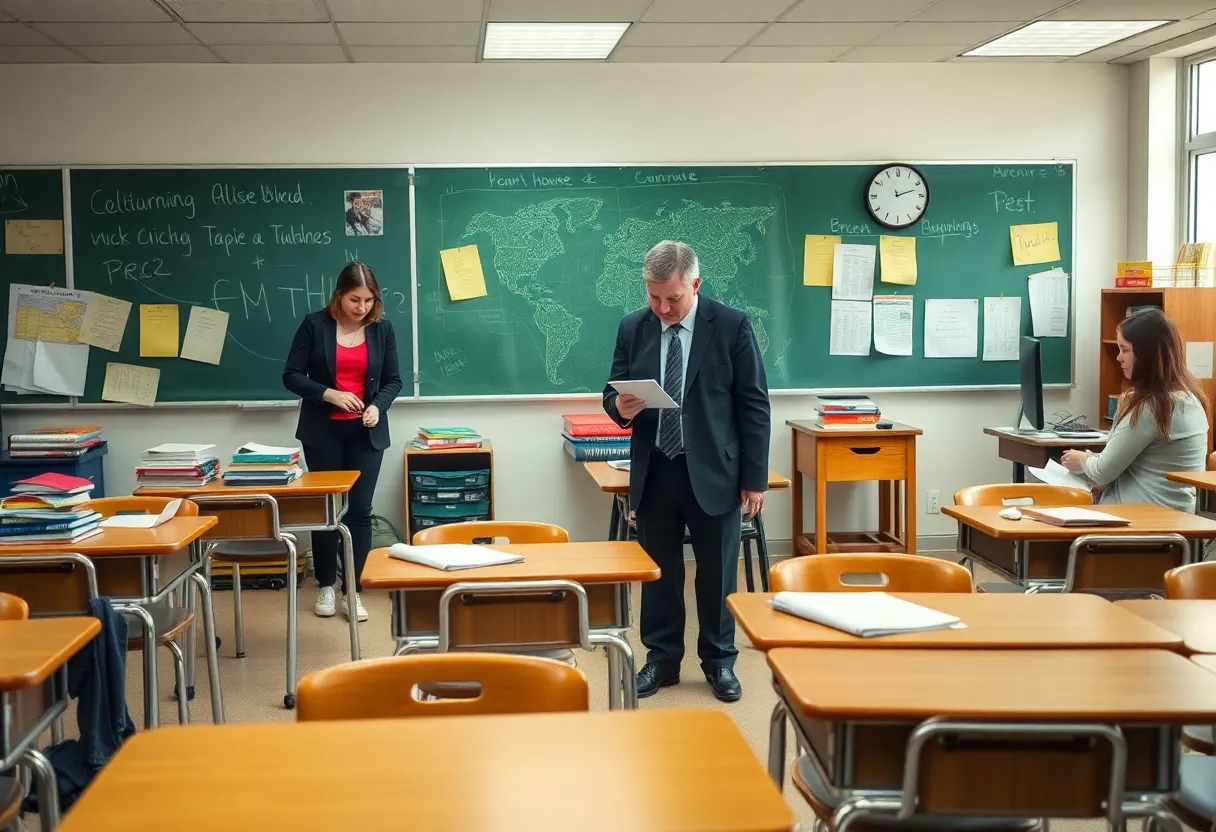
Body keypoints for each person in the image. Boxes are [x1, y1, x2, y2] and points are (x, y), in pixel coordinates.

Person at [602, 240, 771, 702]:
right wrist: (619, 406)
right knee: (659, 573)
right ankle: (662, 660)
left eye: (673, 298)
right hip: (656, 468)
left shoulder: (732, 325)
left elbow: (754, 404)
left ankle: (719, 662)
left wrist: (754, 478)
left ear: (695, 284)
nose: (662, 308)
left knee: (716, 573)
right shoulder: (633, 326)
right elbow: (612, 392)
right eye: (653, 297)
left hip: (716, 471)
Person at [283, 261, 402, 621]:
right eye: (354, 300)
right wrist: (329, 394)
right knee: (328, 511)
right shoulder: (314, 324)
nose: (362, 307)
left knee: (359, 512)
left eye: (369, 300)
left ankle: (353, 590)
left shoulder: (382, 329)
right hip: (323, 432)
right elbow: (291, 375)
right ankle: (324, 585)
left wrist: (378, 406)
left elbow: (393, 380)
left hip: (366, 433)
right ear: (339, 295)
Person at [1061, 308, 1208, 512]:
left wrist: (1082, 460)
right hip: (1176, 517)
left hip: (1140, 518)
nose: (1118, 358)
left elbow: (1103, 471)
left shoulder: (1152, 408)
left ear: (1146, 354)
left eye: (1125, 350)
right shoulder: (1191, 398)